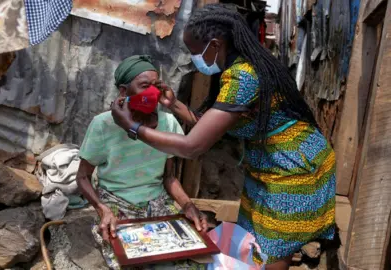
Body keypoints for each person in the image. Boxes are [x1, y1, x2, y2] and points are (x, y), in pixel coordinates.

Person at [111, 5, 336, 270]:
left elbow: (193, 146)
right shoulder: (234, 69)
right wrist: (174, 105)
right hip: (269, 165)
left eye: (195, 51)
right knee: (253, 240)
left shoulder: (244, 76)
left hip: (294, 169)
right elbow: (209, 126)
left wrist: (133, 127)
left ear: (215, 45)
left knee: (273, 248)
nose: (193, 58)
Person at [77, 55, 208, 270]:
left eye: (156, 86)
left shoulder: (168, 122)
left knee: (187, 261)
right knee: (128, 261)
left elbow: (169, 177)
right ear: (123, 91)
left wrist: (188, 205)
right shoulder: (103, 125)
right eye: (144, 86)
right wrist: (102, 209)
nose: (152, 93)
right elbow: (82, 177)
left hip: (157, 203)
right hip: (117, 204)